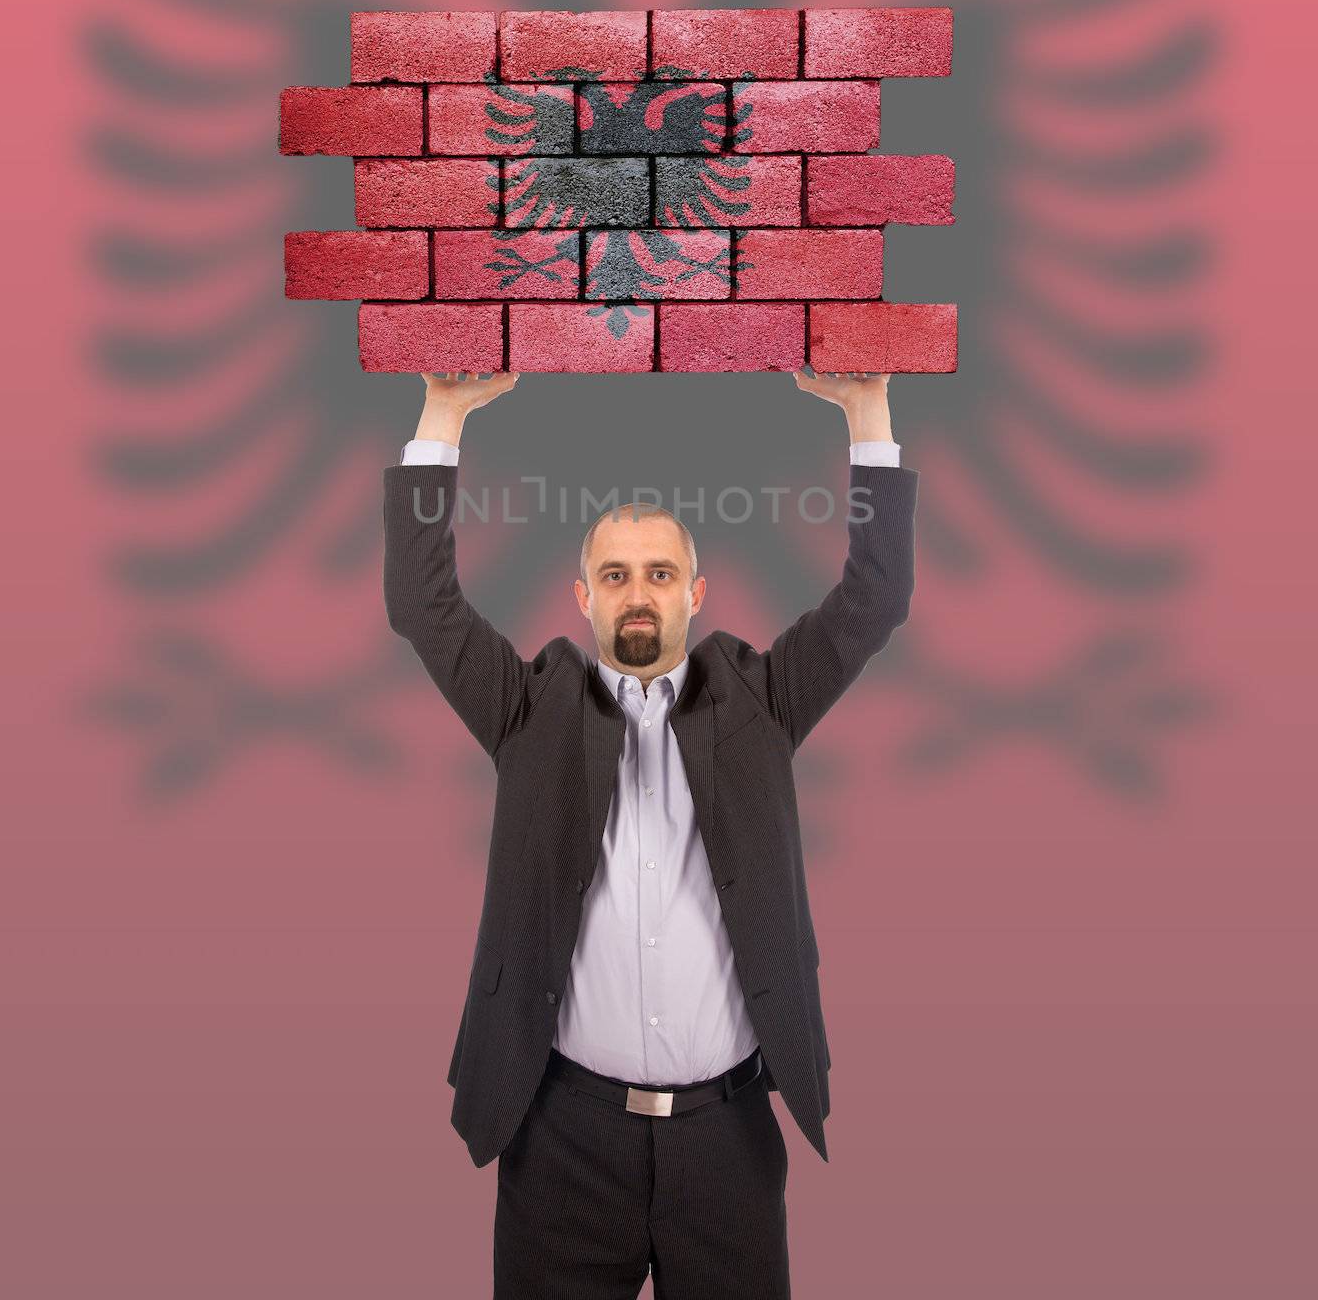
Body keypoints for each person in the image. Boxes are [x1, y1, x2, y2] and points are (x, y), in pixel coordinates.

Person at [385, 367, 918, 1298]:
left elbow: (871, 602)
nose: (640, 593)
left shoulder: (762, 698)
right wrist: (444, 411)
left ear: (696, 594)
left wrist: (866, 409)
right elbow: (422, 607)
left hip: (730, 1142)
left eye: (661, 574)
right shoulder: (526, 708)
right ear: (582, 596)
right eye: (616, 575)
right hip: (560, 1138)